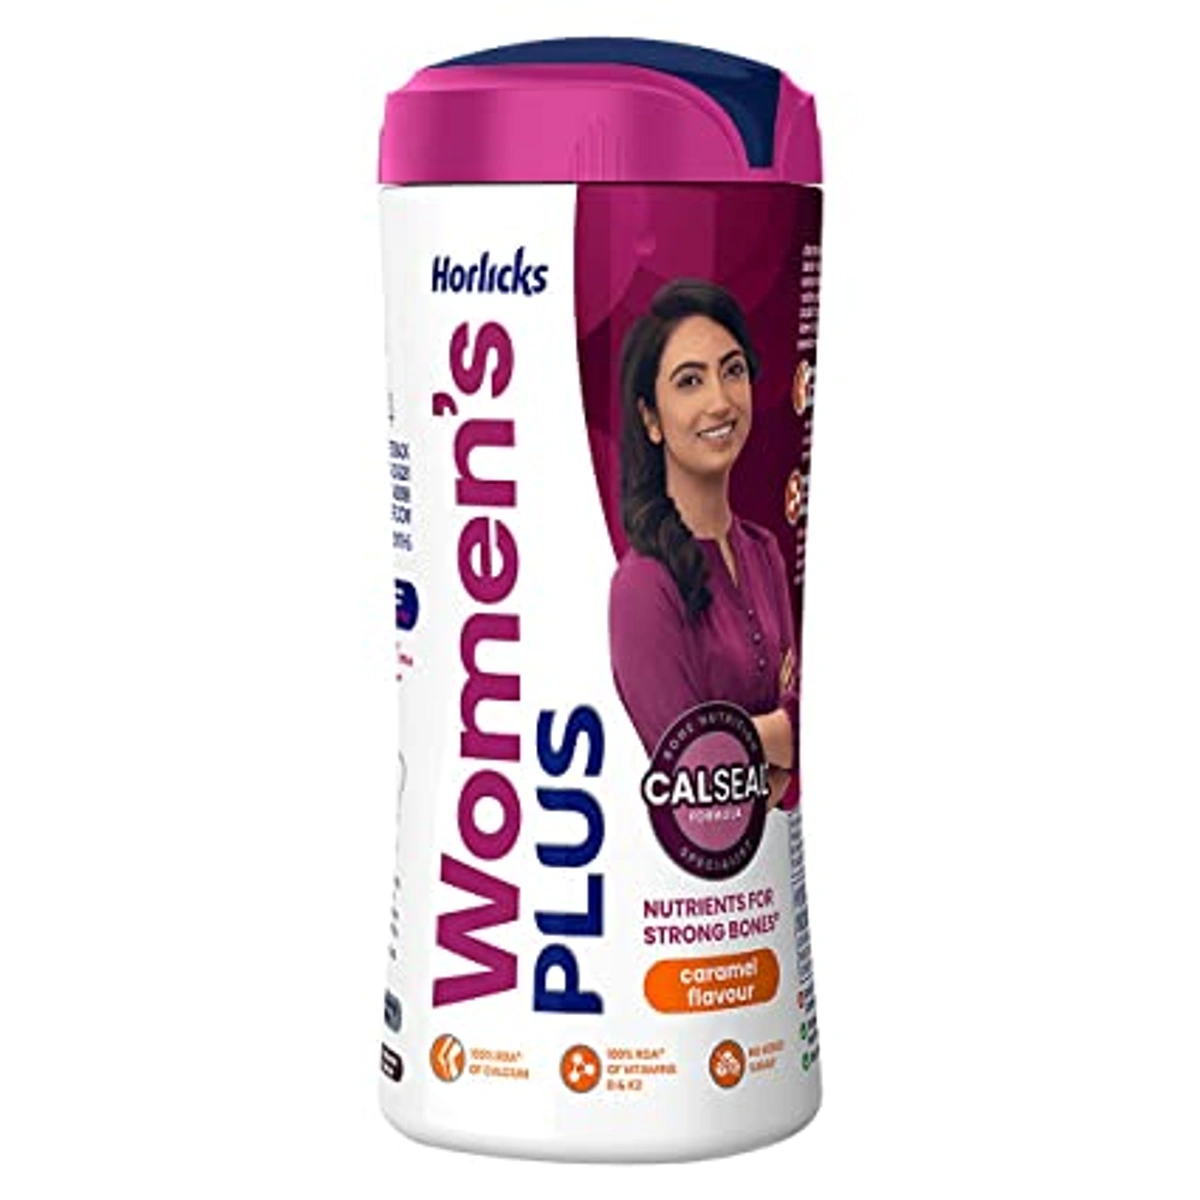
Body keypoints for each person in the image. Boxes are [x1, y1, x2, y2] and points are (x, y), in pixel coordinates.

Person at [608, 279, 799, 810]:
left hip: (768, 858)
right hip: (670, 860)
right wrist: (777, 735)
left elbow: (804, 730)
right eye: (690, 381)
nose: (720, 401)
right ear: (651, 419)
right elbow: (692, 780)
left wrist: (735, 734)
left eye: (732, 371)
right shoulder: (642, 587)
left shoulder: (765, 552)